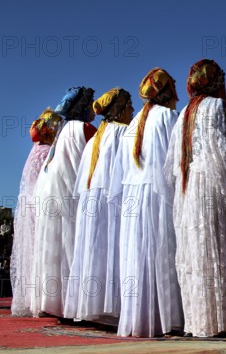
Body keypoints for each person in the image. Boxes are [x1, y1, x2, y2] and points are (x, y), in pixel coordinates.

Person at [165, 59, 226, 337]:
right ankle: (225, 319)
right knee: (221, 248)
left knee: (200, 252)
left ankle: (204, 320)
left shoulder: (185, 114)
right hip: (217, 187)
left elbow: (175, 163)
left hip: (192, 189)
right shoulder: (221, 109)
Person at [114, 68, 183, 337]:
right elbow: (176, 158)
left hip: (134, 196)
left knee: (139, 256)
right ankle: (169, 317)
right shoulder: (168, 116)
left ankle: (142, 317)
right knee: (163, 252)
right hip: (158, 195)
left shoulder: (133, 124)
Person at [64, 88, 134, 323]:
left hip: (93, 205)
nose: (133, 110)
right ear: (120, 109)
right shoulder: (123, 133)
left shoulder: (96, 138)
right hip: (112, 202)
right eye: (129, 105)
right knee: (113, 247)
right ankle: (115, 307)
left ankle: (93, 306)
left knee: (96, 248)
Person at [31, 87, 96, 317]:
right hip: (69, 195)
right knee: (72, 245)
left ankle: (53, 303)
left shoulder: (61, 133)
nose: (93, 109)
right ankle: (73, 304)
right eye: (90, 104)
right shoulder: (85, 129)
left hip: (52, 194)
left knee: (56, 249)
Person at [10, 109, 63, 317]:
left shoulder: (34, 151)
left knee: (33, 253)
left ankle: (34, 299)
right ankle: (44, 300)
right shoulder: (46, 152)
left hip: (28, 207)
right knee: (44, 252)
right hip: (39, 206)